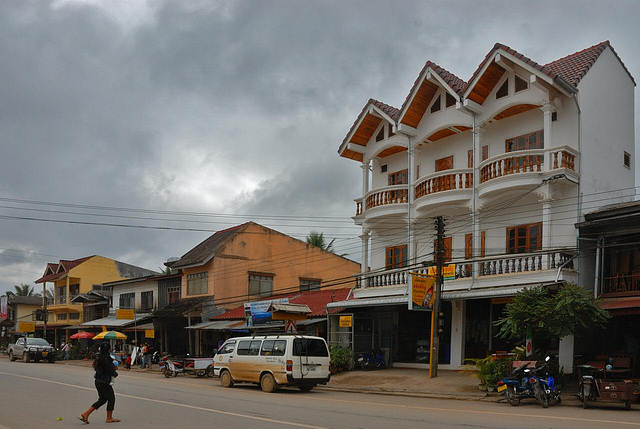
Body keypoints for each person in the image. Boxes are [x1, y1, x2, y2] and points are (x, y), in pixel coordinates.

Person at [79, 342, 121, 424]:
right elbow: (108, 368)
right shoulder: (107, 358)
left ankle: (86, 414)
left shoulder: (99, 357)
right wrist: (115, 372)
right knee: (111, 399)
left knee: (102, 399)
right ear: (108, 349)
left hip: (98, 380)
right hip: (104, 381)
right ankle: (109, 418)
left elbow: (97, 367)